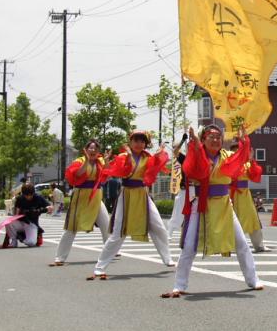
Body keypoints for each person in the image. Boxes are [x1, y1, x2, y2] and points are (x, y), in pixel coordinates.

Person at [162, 125, 262, 298]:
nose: (216, 140)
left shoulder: (227, 156)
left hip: (224, 204)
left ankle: (253, 279)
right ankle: (179, 284)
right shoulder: (197, 154)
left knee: (241, 243)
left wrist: (244, 142)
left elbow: (242, 158)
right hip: (200, 204)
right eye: (211, 137)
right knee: (189, 246)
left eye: (218, 137)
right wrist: (194, 145)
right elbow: (190, 169)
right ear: (203, 140)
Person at [89, 130, 173, 280]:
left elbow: (154, 169)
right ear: (130, 142)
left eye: (142, 141)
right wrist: (126, 157)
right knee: (118, 232)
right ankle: (100, 267)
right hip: (126, 195)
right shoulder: (123, 156)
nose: (139, 144)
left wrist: (159, 155)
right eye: (136, 140)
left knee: (158, 226)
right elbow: (119, 172)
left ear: (146, 144)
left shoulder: (147, 157)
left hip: (143, 194)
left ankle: (167, 258)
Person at [50, 139, 111, 266]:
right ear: (86, 150)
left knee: (106, 224)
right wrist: (87, 161)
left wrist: (107, 161)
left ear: (98, 151)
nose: (93, 150)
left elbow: (106, 176)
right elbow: (77, 174)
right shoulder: (79, 161)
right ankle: (60, 257)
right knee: (71, 228)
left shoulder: (100, 161)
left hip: (96, 196)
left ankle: (110, 252)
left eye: (95, 148)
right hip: (81, 196)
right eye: (90, 148)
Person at [230, 139, 269, 253]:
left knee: (253, 219)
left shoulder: (247, 164)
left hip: (244, 195)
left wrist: (251, 160)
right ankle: (231, 245)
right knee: (231, 220)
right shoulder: (227, 163)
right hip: (230, 194)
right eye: (235, 151)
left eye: (239, 151)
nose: (237, 153)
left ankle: (259, 245)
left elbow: (255, 174)